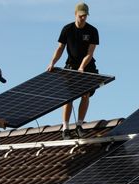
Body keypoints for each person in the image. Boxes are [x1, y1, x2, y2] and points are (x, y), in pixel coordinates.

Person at [47, 2, 99, 140]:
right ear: (75, 14)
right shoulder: (67, 29)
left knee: (85, 94)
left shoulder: (92, 31)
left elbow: (90, 52)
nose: (83, 18)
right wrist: (52, 63)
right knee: (68, 97)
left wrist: (82, 66)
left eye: (85, 16)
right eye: (81, 15)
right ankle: (65, 127)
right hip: (71, 65)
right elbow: (60, 48)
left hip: (87, 66)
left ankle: (79, 125)